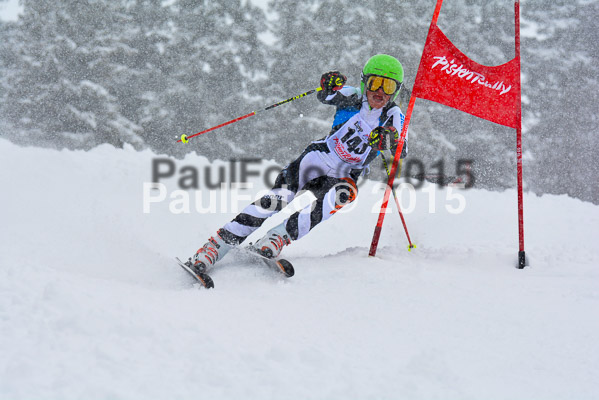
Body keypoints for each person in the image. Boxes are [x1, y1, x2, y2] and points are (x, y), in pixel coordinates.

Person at [186, 54, 409, 272]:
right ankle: (216, 246)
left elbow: (402, 147)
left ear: (396, 90)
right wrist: (329, 84)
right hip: (318, 157)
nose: (380, 91)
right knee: (280, 198)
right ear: (364, 82)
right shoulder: (352, 96)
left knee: (343, 194)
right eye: (375, 83)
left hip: (345, 173)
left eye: (388, 86)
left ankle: (278, 237)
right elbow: (326, 95)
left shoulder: (394, 115)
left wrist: (390, 139)